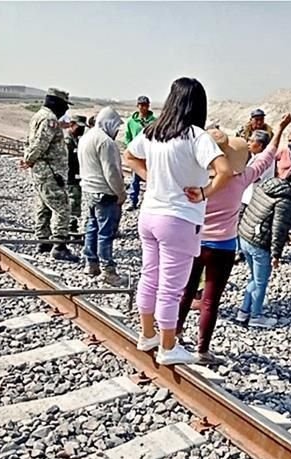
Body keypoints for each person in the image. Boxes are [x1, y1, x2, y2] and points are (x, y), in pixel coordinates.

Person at [123, 77, 233, 366]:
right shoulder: (196, 136)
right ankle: (168, 347)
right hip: (179, 219)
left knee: (149, 277)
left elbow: (129, 156)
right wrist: (204, 193)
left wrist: (153, 178)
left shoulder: (154, 131)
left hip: (149, 215)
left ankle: (148, 334)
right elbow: (224, 170)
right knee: (172, 288)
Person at [175, 115, 291, 359]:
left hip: (194, 240)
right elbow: (267, 156)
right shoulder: (241, 178)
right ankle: (203, 349)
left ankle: (174, 336)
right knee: (210, 300)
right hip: (223, 245)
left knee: (186, 292)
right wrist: (279, 129)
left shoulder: (195, 179)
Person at [236, 165, 291, 328]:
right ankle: (256, 316)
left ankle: (243, 312)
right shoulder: (285, 200)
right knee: (261, 282)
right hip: (260, 242)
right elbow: (278, 229)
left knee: (254, 278)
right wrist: (276, 255)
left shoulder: (269, 185)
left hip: (245, 235)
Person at [21, 87, 78, 261]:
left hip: (42, 171)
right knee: (63, 208)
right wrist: (29, 159)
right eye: (64, 105)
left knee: (43, 206)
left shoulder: (38, 116)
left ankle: (44, 241)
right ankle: (59, 246)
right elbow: (40, 144)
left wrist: (28, 158)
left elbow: (30, 141)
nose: (66, 109)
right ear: (57, 103)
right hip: (51, 172)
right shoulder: (49, 119)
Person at [78, 107, 127, 286]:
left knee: (91, 227)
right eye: (116, 126)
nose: (116, 131)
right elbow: (111, 172)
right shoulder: (106, 142)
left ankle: (91, 263)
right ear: (110, 123)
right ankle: (108, 271)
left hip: (89, 191)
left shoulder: (87, 137)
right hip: (104, 193)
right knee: (105, 233)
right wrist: (120, 193)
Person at [123, 96, 157, 212]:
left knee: (151, 178)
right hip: (136, 155)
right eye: (141, 105)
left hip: (149, 155)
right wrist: (131, 148)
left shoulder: (154, 121)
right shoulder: (131, 122)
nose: (143, 107)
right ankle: (133, 201)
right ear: (137, 106)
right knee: (134, 179)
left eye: (145, 105)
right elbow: (127, 137)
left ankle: (150, 201)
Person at [66, 114, 88, 234]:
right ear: (71, 124)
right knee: (72, 202)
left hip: (75, 178)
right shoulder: (67, 141)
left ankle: (72, 227)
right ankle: (70, 229)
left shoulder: (77, 140)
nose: (82, 130)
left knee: (75, 203)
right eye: (79, 127)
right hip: (69, 178)